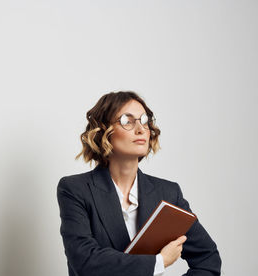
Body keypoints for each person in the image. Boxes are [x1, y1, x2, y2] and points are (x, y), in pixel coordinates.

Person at [56, 91, 222, 276]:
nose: (141, 129)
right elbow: (85, 261)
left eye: (144, 120)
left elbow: (208, 259)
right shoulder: (75, 189)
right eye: (127, 121)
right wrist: (158, 262)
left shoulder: (168, 193)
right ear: (103, 131)